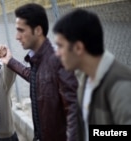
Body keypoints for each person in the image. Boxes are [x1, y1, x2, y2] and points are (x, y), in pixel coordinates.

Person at [0, 3, 78, 141]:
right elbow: (34, 77)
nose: (17, 36)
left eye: (21, 30)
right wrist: (9, 61)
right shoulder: (38, 59)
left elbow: (75, 115)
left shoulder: (59, 62)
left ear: (38, 30)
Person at [53, 9, 131, 141]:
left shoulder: (121, 87)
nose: (57, 53)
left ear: (78, 48)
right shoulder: (85, 79)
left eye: (60, 46)